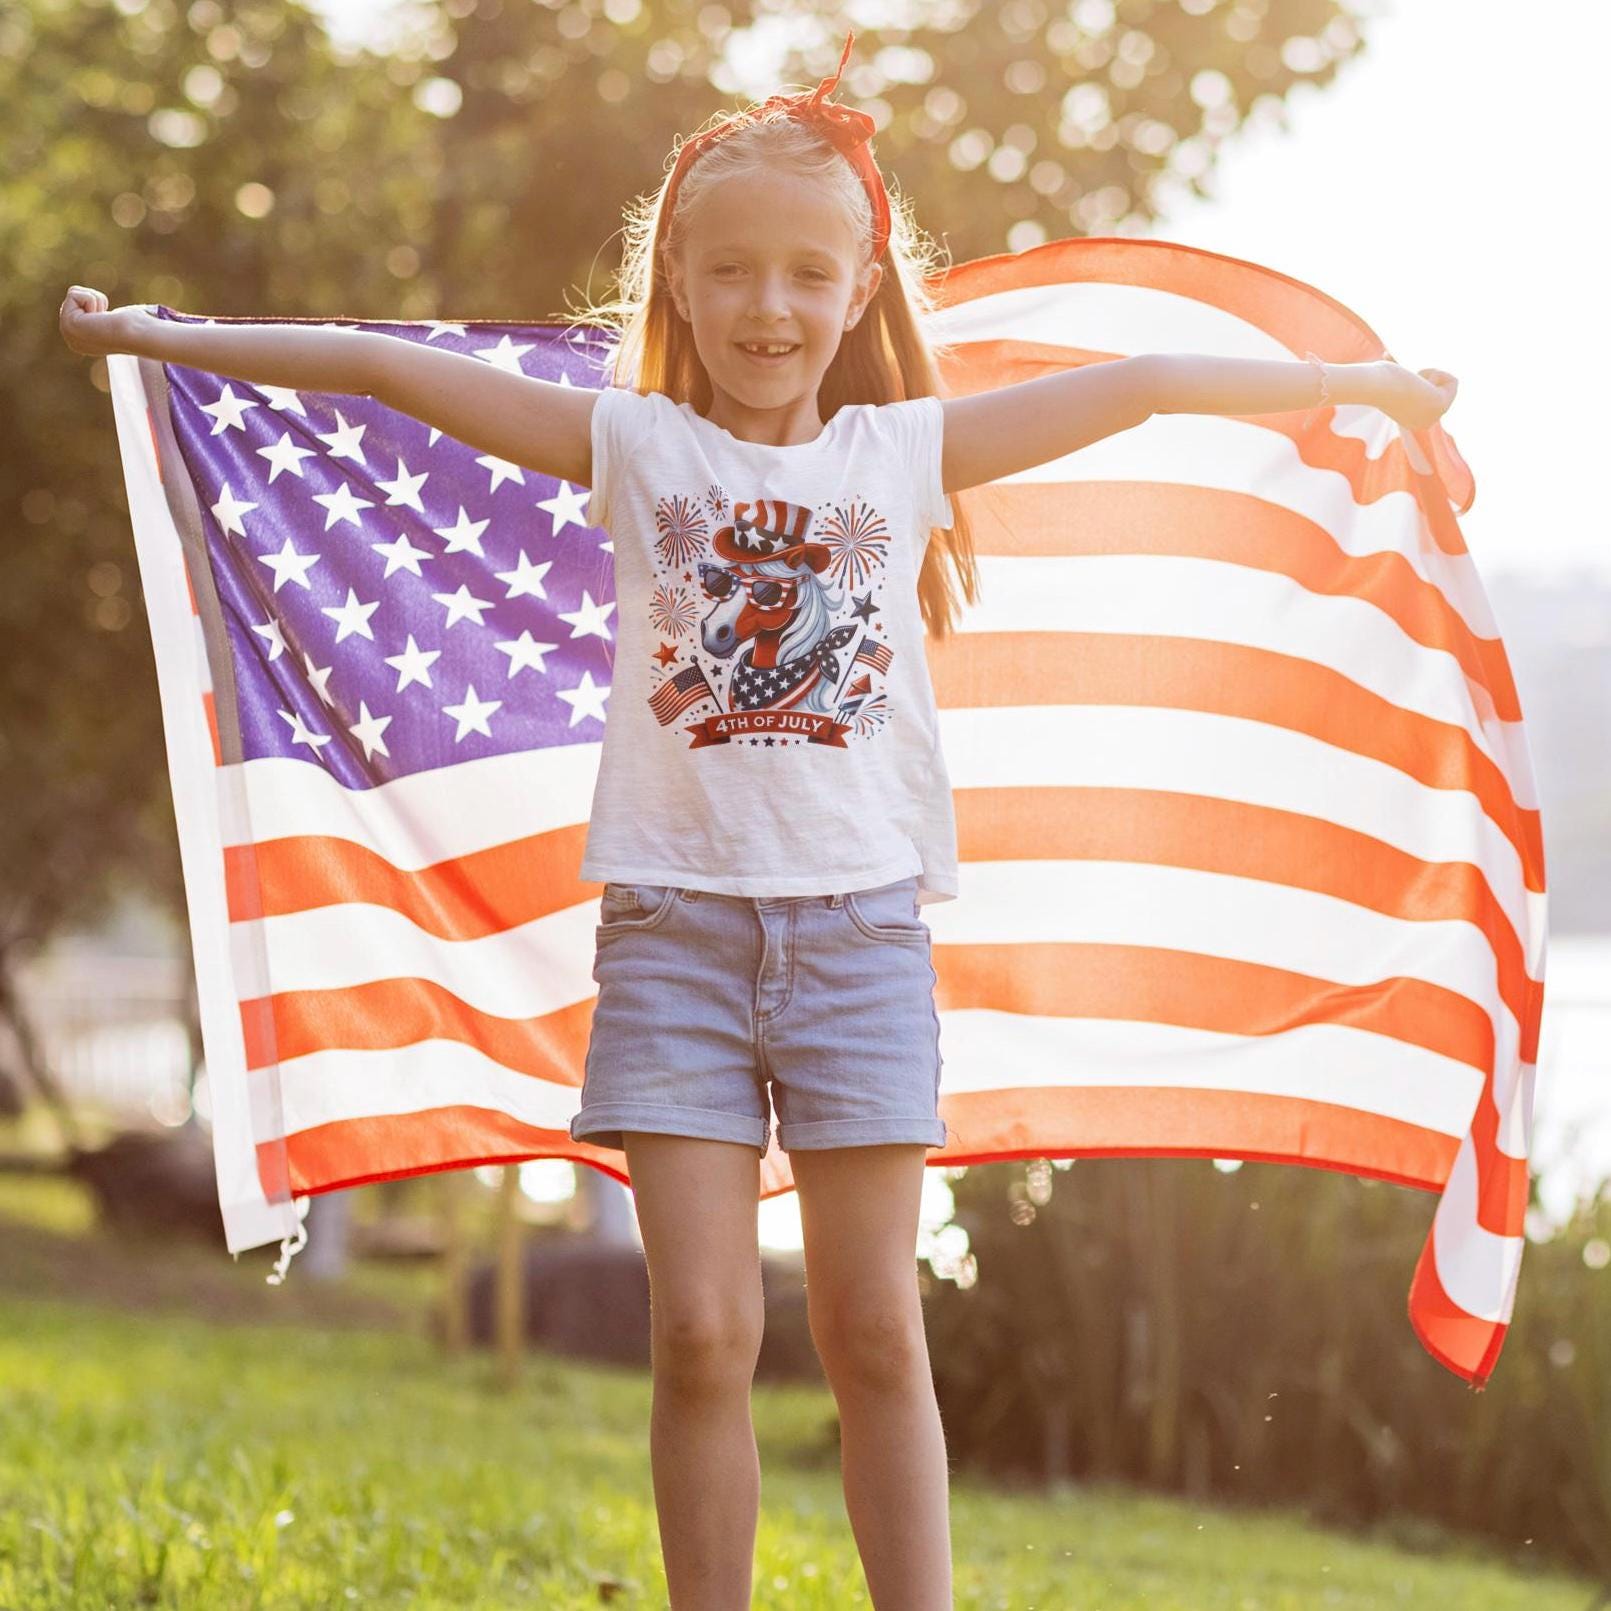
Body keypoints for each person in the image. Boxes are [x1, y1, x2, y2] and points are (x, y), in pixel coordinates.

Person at [58, 28, 1456, 1608]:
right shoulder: (635, 444)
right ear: (681, 289)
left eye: (806, 275)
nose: (768, 309)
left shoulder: (901, 454)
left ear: (859, 292)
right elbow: (390, 373)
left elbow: (1136, 389)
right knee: (703, 1329)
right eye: (729, 275)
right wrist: (167, 340)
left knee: (872, 1329)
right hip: (675, 943)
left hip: (860, 947)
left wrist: (1350, 385)